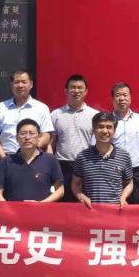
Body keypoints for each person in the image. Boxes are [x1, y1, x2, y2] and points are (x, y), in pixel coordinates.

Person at [0, 119, 64, 277]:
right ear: (16, 137)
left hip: (40, 227)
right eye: (22, 133)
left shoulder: (49, 160)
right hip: (14, 228)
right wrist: (10, 211)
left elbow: (60, 189)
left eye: (31, 133)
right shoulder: (7, 161)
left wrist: (42, 205)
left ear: (39, 136)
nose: (27, 137)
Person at [71, 112, 134, 277]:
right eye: (101, 127)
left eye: (109, 127)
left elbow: (129, 182)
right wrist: (80, 196)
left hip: (116, 225)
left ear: (114, 130)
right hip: (90, 226)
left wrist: (124, 197)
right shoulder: (83, 157)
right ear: (94, 129)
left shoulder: (123, 156)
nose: (105, 131)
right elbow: (75, 184)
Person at [0, 69, 53, 164]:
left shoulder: (42, 108)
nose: (20, 85)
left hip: (34, 160)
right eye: (16, 82)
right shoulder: (0, 108)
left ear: (31, 84)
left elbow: (46, 135)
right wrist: (5, 160)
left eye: (24, 82)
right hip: (6, 158)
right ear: (11, 85)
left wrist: (30, 151)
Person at [50, 74, 98, 202]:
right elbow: (51, 142)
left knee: (85, 202)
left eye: (80, 87)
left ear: (86, 91)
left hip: (87, 165)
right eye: (73, 87)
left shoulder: (94, 115)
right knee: (62, 203)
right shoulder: (56, 114)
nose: (76, 91)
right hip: (62, 166)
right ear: (66, 91)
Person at [108, 82, 139, 203]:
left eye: (125, 95)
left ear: (130, 97)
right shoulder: (106, 121)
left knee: (137, 206)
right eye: (118, 95)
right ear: (112, 99)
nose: (122, 98)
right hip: (113, 172)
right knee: (113, 206)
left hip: (136, 172)